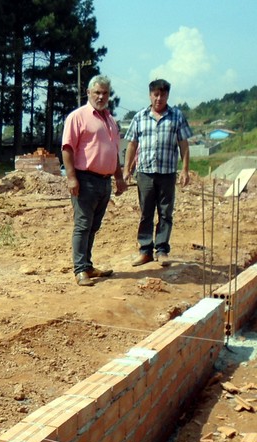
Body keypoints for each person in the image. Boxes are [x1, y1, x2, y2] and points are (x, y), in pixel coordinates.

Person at [61, 75, 127, 286]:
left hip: (104, 181)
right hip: (85, 178)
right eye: (97, 92)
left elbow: (115, 152)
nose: (101, 96)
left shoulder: (110, 120)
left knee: (94, 225)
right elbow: (67, 148)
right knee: (82, 225)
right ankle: (80, 270)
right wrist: (71, 178)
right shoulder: (77, 117)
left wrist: (119, 177)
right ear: (88, 93)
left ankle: (88, 266)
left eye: (105, 93)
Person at [123, 79, 192, 268]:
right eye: (155, 94)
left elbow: (184, 144)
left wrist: (185, 170)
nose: (159, 98)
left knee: (165, 213)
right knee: (146, 212)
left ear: (168, 95)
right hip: (145, 173)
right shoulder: (140, 117)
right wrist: (126, 169)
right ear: (150, 95)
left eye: (162, 94)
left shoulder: (176, 116)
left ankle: (162, 250)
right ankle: (145, 251)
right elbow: (132, 144)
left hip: (167, 173)